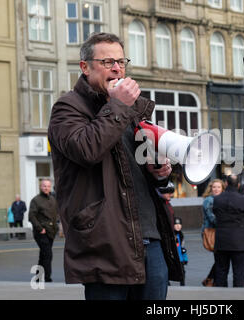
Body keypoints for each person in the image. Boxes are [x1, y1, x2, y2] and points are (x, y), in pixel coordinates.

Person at [48, 32, 182, 300]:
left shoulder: (131, 111)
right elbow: (87, 149)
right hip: (106, 242)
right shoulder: (68, 108)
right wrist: (118, 104)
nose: (117, 68)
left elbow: (133, 170)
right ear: (85, 67)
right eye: (108, 61)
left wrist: (158, 173)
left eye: (121, 61)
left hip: (149, 236)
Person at [212, 175, 244, 287]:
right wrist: (243, 229)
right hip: (239, 241)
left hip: (221, 240)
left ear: (226, 184)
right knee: (239, 273)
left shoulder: (217, 200)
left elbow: (216, 215)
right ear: (238, 185)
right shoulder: (243, 200)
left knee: (221, 272)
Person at [28, 179, 58, 282]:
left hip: (51, 232)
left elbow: (55, 214)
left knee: (43, 255)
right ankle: (46, 277)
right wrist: (40, 229)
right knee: (48, 254)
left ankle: (38, 277)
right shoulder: (36, 200)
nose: (46, 188)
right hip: (41, 232)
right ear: (40, 187)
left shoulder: (53, 199)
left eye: (48, 186)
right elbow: (31, 216)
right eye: (44, 186)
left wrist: (56, 228)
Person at [201, 179, 225, 287]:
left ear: (222, 189)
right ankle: (212, 280)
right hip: (212, 232)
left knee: (220, 258)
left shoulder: (222, 199)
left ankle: (211, 280)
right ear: (210, 188)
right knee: (220, 258)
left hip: (219, 231)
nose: (216, 189)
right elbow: (212, 218)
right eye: (214, 187)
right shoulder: (209, 200)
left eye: (218, 187)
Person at [173, 217, 188, 286]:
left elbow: (183, 249)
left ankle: (183, 285)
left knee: (182, 272)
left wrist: (185, 259)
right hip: (173, 258)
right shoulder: (172, 235)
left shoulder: (181, 235)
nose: (178, 226)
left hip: (180, 258)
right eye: (176, 224)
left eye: (179, 224)